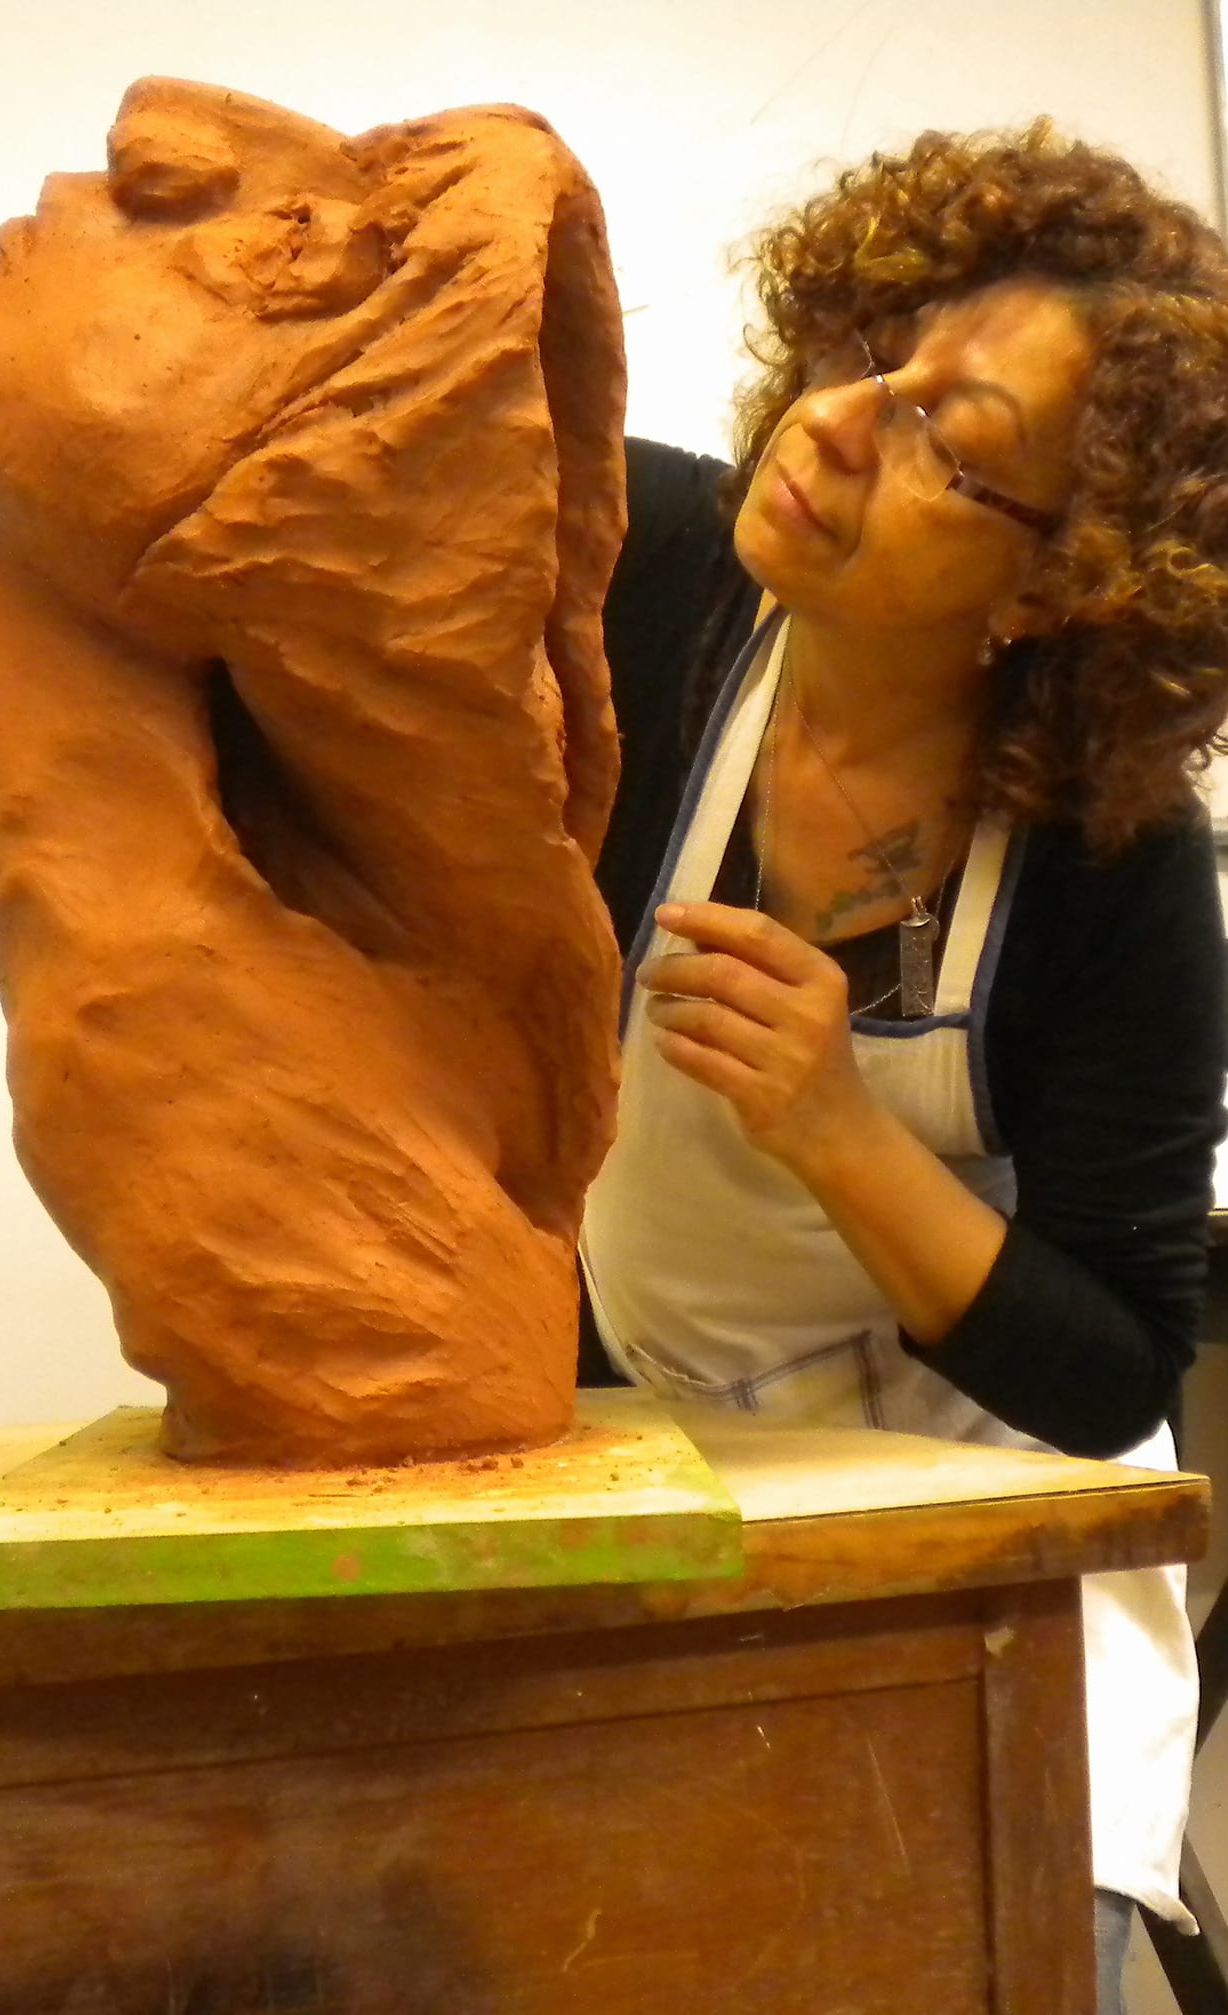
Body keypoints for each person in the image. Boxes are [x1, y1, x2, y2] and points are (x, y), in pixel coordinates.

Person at [577, 120, 1228, 2013]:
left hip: (989, 1524)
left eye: (955, 440)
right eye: (878, 350)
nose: (843, 422)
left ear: (1059, 583)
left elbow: (1115, 1373)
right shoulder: (660, 577)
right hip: (664, 1451)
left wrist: (837, 1128)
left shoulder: (1117, 866)